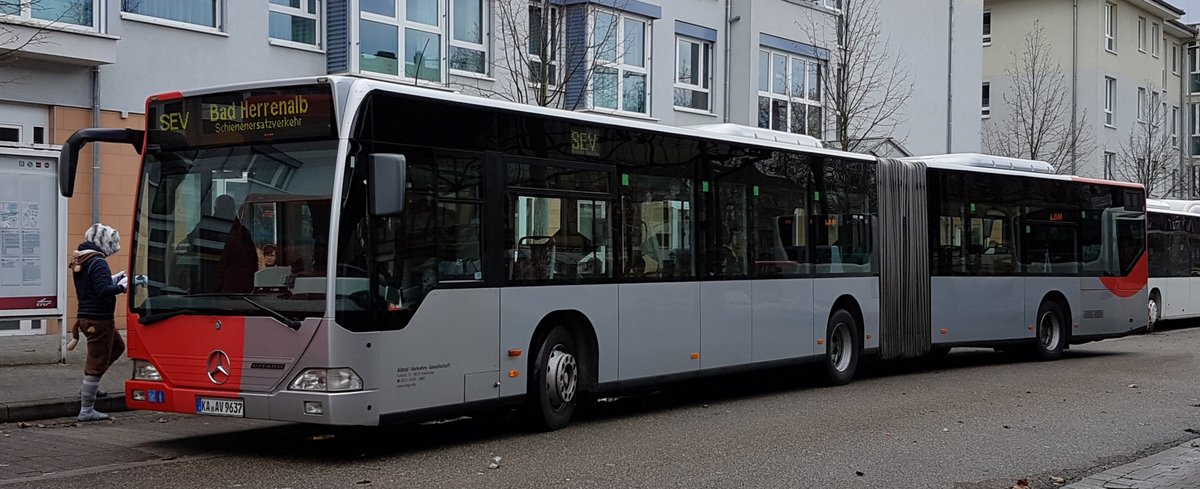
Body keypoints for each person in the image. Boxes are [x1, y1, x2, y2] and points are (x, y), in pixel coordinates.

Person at [67, 223, 128, 422]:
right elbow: (102, 291)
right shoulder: (98, 262)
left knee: (117, 347)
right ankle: (87, 409)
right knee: (96, 362)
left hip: (88, 315)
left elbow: (93, 285)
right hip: (98, 318)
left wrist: (114, 279)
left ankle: (90, 385)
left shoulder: (84, 258)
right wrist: (123, 287)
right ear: (105, 243)